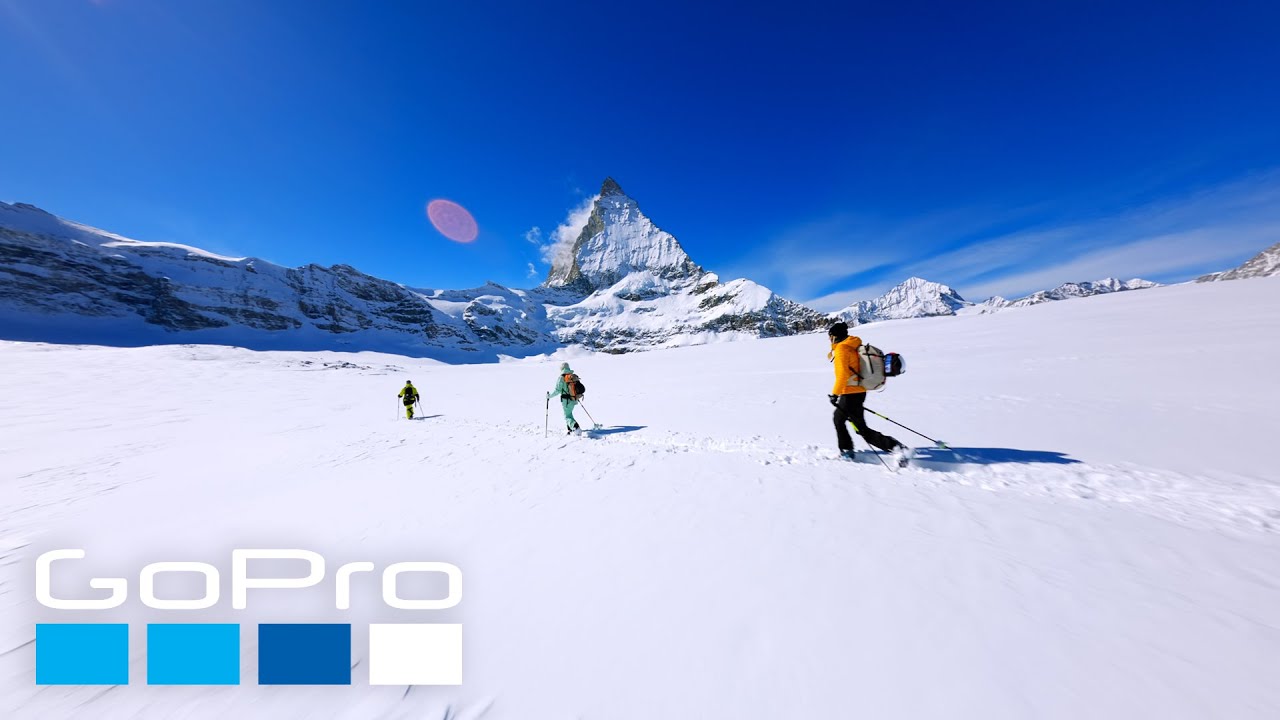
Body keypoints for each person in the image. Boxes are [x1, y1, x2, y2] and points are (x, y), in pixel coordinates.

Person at [827, 321, 909, 464]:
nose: (829, 339)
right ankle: (895, 447)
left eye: (830, 336)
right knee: (853, 424)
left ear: (835, 336)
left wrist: (835, 394)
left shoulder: (841, 349)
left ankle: (848, 451)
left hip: (850, 393)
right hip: (857, 392)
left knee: (844, 422)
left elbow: (843, 375)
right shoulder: (851, 345)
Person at [547, 362, 583, 434]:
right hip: (573, 399)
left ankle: (576, 427)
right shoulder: (572, 376)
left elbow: (557, 390)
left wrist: (549, 396)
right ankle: (570, 430)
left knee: (567, 416)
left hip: (566, 401)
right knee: (569, 414)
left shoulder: (561, 378)